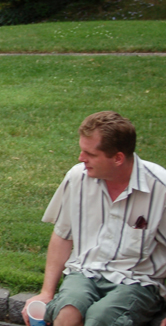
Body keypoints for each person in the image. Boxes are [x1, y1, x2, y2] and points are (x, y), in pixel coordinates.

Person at [22, 111, 166, 326]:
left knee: (102, 318)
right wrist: (46, 293)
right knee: (67, 314)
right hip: (85, 272)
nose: (81, 158)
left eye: (90, 154)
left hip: (138, 281)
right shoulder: (77, 178)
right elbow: (63, 236)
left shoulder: (160, 188)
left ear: (117, 158)